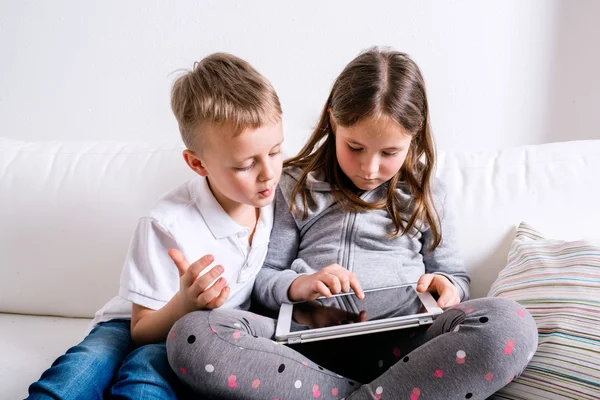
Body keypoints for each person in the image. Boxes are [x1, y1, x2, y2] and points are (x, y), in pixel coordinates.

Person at [166, 48, 539, 400]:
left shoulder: (429, 194)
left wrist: (448, 288)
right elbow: (263, 277)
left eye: (390, 153)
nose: (369, 168)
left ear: (414, 137)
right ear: (333, 120)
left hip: (407, 348)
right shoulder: (293, 185)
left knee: (513, 326)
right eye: (355, 147)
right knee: (193, 334)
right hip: (303, 352)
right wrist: (300, 285)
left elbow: (454, 277)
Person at [26, 52, 284, 400]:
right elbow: (141, 329)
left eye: (275, 151)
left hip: (194, 334)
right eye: (245, 164)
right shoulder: (167, 223)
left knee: (147, 378)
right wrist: (186, 304)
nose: (268, 173)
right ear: (197, 164)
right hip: (136, 323)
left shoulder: (271, 204)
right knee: (85, 367)